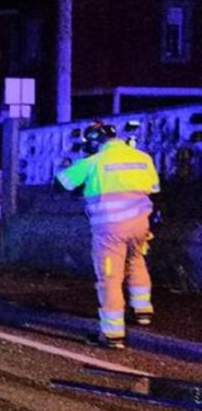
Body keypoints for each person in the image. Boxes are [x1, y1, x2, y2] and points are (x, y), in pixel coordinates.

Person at [55, 121, 160, 350]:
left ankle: (112, 334)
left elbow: (62, 183)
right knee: (137, 261)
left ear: (94, 142)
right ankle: (143, 311)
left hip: (110, 229)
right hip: (141, 225)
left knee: (110, 279)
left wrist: (64, 167)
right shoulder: (142, 158)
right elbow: (154, 188)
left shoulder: (94, 161)